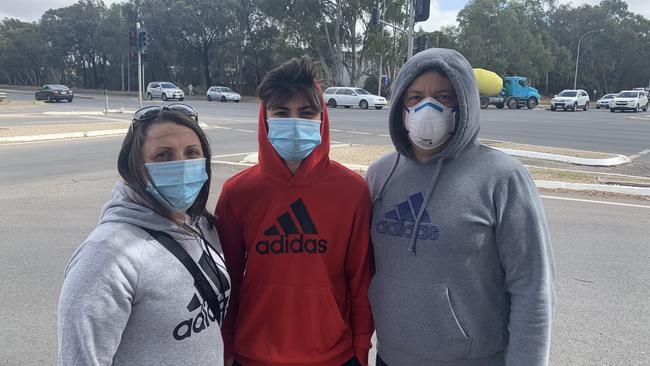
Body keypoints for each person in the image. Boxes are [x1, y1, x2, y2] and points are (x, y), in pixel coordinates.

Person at [365, 48, 555, 366]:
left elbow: (532, 287)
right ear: (400, 106)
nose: (428, 106)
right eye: (415, 97)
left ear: (466, 102)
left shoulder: (503, 177)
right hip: (391, 357)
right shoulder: (380, 175)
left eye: (444, 96)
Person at [215, 57, 374, 366]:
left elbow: (361, 281)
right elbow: (228, 282)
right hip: (252, 354)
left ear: (322, 118)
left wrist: (361, 348)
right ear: (265, 118)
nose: (295, 121)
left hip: (335, 355)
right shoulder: (238, 193)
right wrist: (226, 347)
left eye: (306, 113)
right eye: (282, 113)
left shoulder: (352, 191)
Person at [58, 104, 230, 365]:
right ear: (134, 169)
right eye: (163, 155)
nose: (181, 165)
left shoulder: (200, 226)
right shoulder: (106, 255)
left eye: (192, 153)